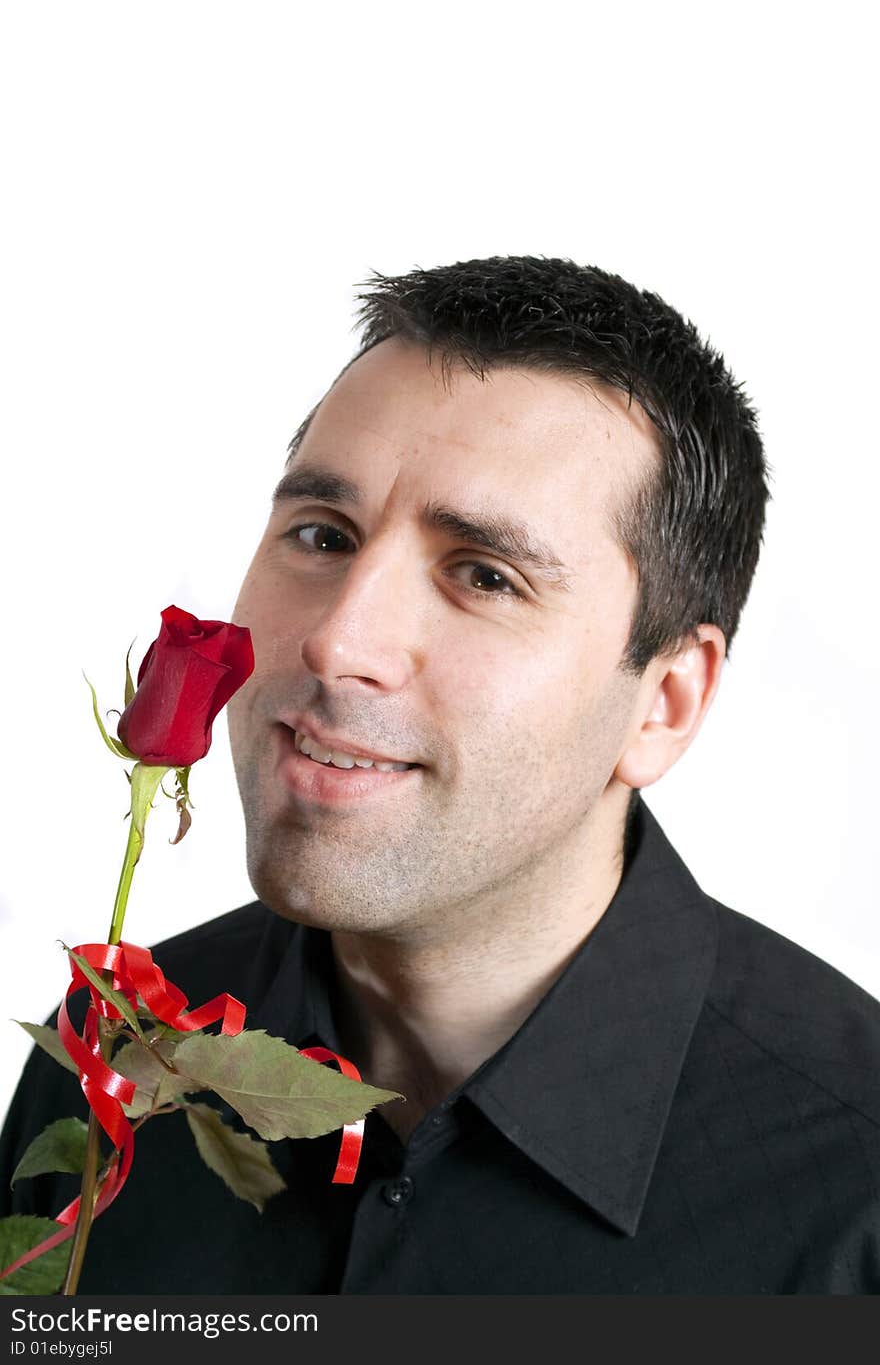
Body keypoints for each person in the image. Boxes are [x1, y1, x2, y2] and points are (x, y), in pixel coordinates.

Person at [3, 255, 879, 1293]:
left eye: (483, 575)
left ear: (664, 700)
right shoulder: (107, 1048)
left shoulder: (848, 1192)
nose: (338, 639)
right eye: (321, 535)